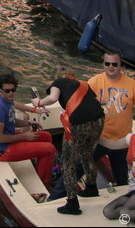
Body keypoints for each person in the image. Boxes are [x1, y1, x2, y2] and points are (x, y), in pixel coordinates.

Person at [34, 71, 107, 214]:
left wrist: (38, 102)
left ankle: (72, 203)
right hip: (99, 119)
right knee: (87, 154)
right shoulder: (83, 83)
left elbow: (52, 98)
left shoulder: (58, 83)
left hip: (78, 124)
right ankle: (92, 188)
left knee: (67, 163)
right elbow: (92, 99)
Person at [89, 50, 135, 187]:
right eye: (107, 63)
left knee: (121, 175)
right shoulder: (93, 82)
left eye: (115, 64)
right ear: (103, 64)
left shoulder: (132, 84)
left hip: (121, 141)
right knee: (79, 166)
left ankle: (123, 193)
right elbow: (83, 105)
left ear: (120, 65)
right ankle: (60, 194)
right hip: (98, 138)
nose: (111, 67)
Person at [0, 70, 56, 188]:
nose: (11, 93)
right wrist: (24, 136)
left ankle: (42, 171)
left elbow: (11, 121)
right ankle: (45, 184)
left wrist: (28, 123)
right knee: (50, 149)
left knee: (46, 136)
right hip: (2, 150)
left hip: (9, 141)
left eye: (13, 90)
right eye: (7, 91)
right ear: (0, 90)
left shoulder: (8, 101)